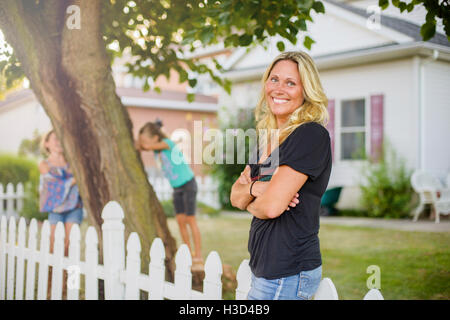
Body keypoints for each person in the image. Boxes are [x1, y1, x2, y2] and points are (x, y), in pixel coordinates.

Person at [230, 51, 332, 300]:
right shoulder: (268, 140)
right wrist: (256, 191)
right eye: (274, 79)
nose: (279, 88)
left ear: (306, 91)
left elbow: (272, 207)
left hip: (287, 271)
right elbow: (234, 195)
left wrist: (252, 199)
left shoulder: (309, 135)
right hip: (265, 269)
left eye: (290, 83)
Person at [136, 121, 203, 269]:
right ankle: (188, 252)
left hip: (188, 184)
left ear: (154, 138)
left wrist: (141, 143)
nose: (144, 143)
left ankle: (198, 255)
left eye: (145, 140)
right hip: (177, 188)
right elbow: (143, 147)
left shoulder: (167, 143)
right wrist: (139, 142)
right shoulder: (155, 150)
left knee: (190, 220)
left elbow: (145, 146)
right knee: (180, 221)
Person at [39, 129, 83, 256]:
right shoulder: (44, 164)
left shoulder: (72, 163)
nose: (59, 142)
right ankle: (51, 276)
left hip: (74, 207)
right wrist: (74, 180)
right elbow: (54, 184)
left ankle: (66, 277)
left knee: (69, 248)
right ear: (47, 143)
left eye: (61, 139)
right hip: (55, 209)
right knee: (53, 248)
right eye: (55, 139)